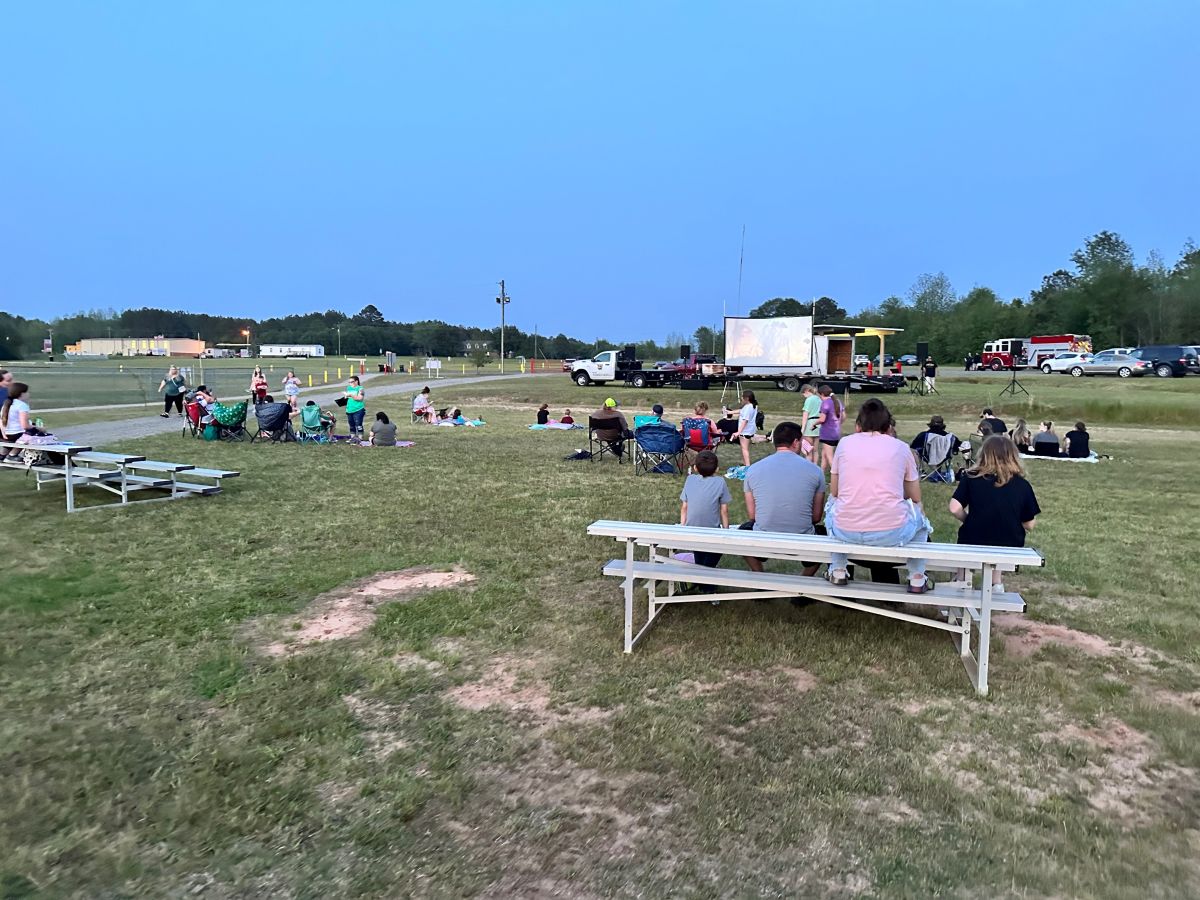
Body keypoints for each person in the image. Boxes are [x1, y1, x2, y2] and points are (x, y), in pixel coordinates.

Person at [825, 398, 933, 593]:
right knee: (919, 516)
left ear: (859, 425)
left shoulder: (844, 444)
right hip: (891, 532)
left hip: (846, 529)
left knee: (833, 503)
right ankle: (917, 575)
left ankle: (838, 568)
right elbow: (915, 496)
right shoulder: (901, 448)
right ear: (888, 425)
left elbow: (835, 492)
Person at [949, 436, 1040, 592]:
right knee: (1001, 536)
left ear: (983, 455)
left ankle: (961, 580)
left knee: (968, 546)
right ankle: (996, 583)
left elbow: (954, 508)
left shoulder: (971, 478)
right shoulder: (1022, 485)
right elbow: (1029, 524)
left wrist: (968, 520)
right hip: (1009, 544)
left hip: (973, 539)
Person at [740, 421, 826, 575]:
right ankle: (803, 582)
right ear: (796, 442)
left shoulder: (753, 470)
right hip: (802, 540)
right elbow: (816, 517)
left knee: (742, 532)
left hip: (763, 540)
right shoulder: (816, 471)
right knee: (824, 535)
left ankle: (759, 575)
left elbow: (753, 516)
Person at [680, 449, 732, 578]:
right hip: (711, 529)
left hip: (691, 528)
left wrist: (683, 526)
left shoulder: (690, 479)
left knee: (699, 552)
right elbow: (724, 510)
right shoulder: (720, 482)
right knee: (716, 551)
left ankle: (701, 574)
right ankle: (705, 580)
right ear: (717, 469)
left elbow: (684, 507)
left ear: (695, 468)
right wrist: (726, 530)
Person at [816, 384, 843, 475]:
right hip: (836, 432)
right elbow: (844, 416)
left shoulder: (825, 403)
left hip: (827, 434)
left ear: (822, 394)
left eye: (819, 396)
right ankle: (821, 474)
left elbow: (822, 419)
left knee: (830, 457)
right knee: (824, 455)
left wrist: (814, 424)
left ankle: (838, 476)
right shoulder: (837, 401)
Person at [732, 390, 758, 467]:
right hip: (749, 430)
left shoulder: (748, 408)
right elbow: (741, 411)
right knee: (744, 448)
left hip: (745, 431)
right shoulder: (753, 405)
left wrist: (738, 432)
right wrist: (730, 412)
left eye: (742, 397)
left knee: (744, 449)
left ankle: (747, 466)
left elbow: (745, 421)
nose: (741, 398)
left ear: (747, 398)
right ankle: (745, 464)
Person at [800, 384, 822, 463]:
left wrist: (802, 428)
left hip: (810, 424)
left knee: (808, 450)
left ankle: (808, 467)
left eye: (803, 394)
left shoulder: (809, 400)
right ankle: (815, 466)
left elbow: (805, 414)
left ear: (806, 391)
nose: (804, 396)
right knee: (816, 450)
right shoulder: (819, 399)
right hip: (818, 424)